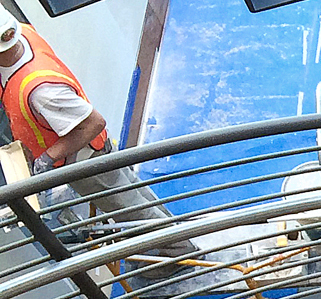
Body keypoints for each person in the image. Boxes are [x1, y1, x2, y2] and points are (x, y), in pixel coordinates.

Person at [0, 20, 196, 266]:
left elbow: (93, 123)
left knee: (131, 208)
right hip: (93, 150)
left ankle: (179, 252)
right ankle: (177, 235)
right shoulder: (21, 33)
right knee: (135, 195)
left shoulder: (42, 91)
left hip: (87, 163)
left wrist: (47, 159)